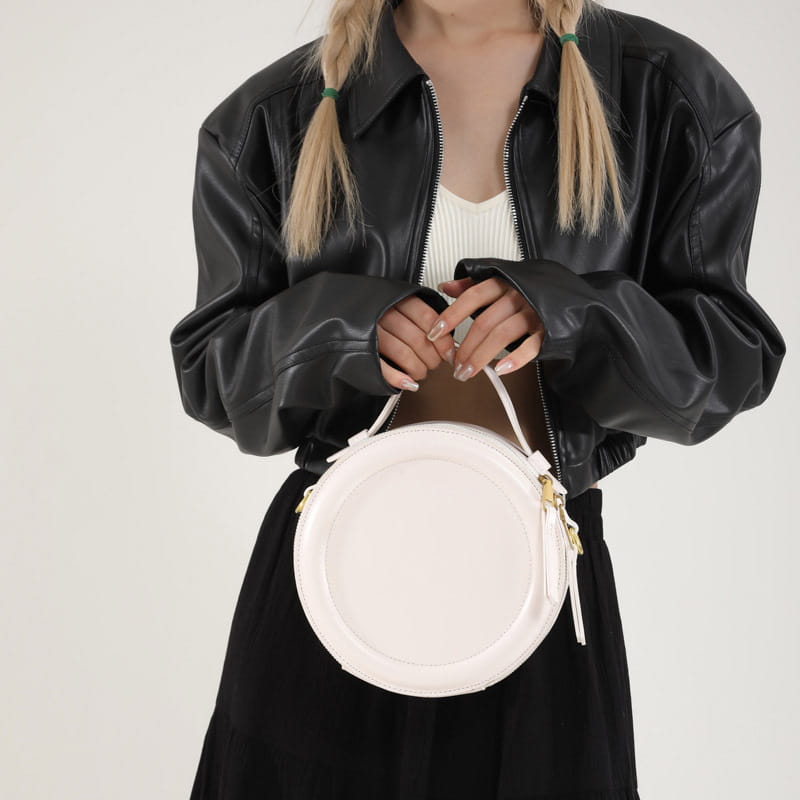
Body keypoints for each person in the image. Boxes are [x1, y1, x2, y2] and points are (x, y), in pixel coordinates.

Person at [169, 0, 787, 797]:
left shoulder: (667, 94)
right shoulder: (270, 116)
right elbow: (212, 376)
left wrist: (569, 317)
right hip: (331, 580)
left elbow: (729, 359)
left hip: (536, 585)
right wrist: (345, 331)